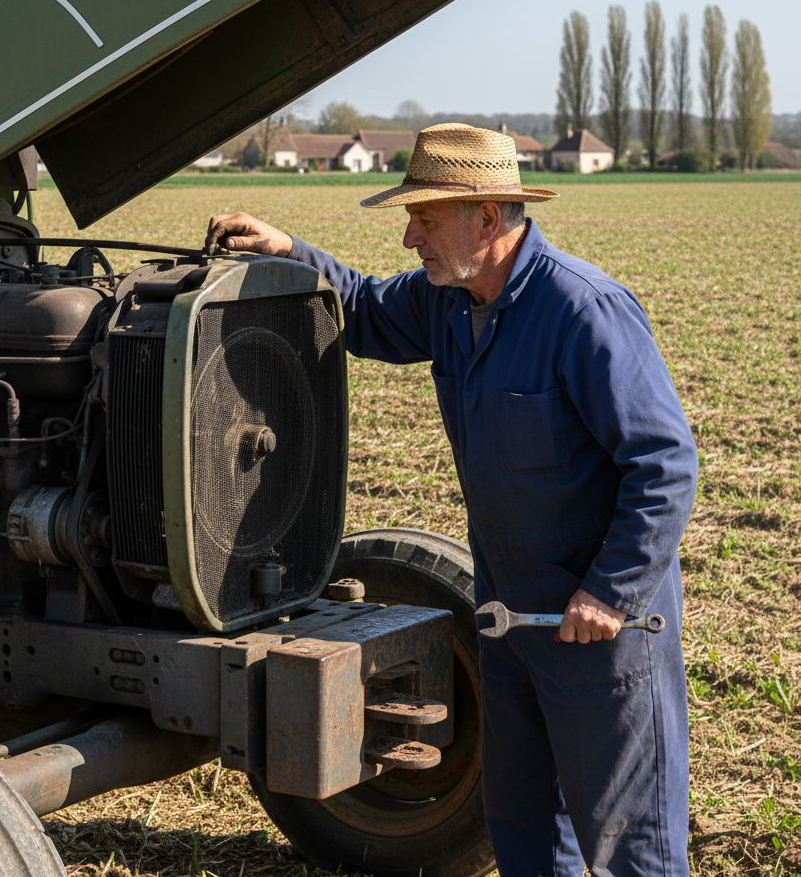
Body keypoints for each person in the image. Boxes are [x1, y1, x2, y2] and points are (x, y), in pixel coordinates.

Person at [205, 123, 697, 877]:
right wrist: (289, 251)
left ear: (487, 220)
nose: (410, 238)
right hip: (508, 616)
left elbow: (664, 464)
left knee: (630, 844)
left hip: (597, 630)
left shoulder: (582, 310)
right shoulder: (449, 301)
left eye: (424, 219)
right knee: (524, 826)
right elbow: (363, 307)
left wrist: (611, 590)